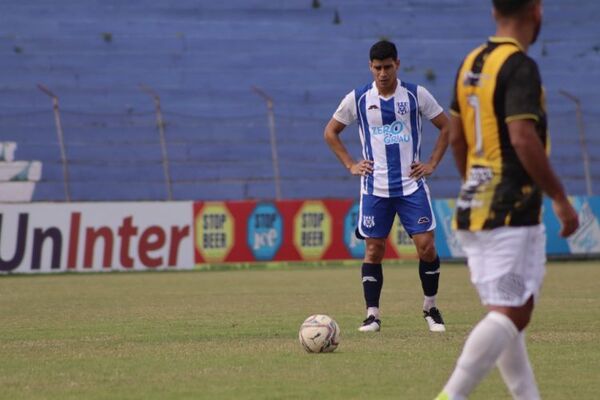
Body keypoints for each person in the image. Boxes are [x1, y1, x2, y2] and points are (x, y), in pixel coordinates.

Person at [434, 0, 579, 399]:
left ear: (495, 12)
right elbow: (521, 137)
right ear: (536, 11)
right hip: (511, 214)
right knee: (515, 311)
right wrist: (560, 197)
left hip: (474, 212)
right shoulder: (520, 67)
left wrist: (473, 185)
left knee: (508, 308)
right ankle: (452, 394)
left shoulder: (470, 63)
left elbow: (457, 136)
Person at [324, 40, 450, 333]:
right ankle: (372, 315)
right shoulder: (358, 98)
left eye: (388, 67)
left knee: (426, 246)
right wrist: (350, 164)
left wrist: (431, 163)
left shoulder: (417, 95)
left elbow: (447, 126)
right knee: (374, 249)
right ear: (370, 67)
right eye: (377, 68)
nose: (382, 73)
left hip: (411, 186)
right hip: (374, 188)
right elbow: (331, 132)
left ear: (397, 65)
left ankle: (430, 308)